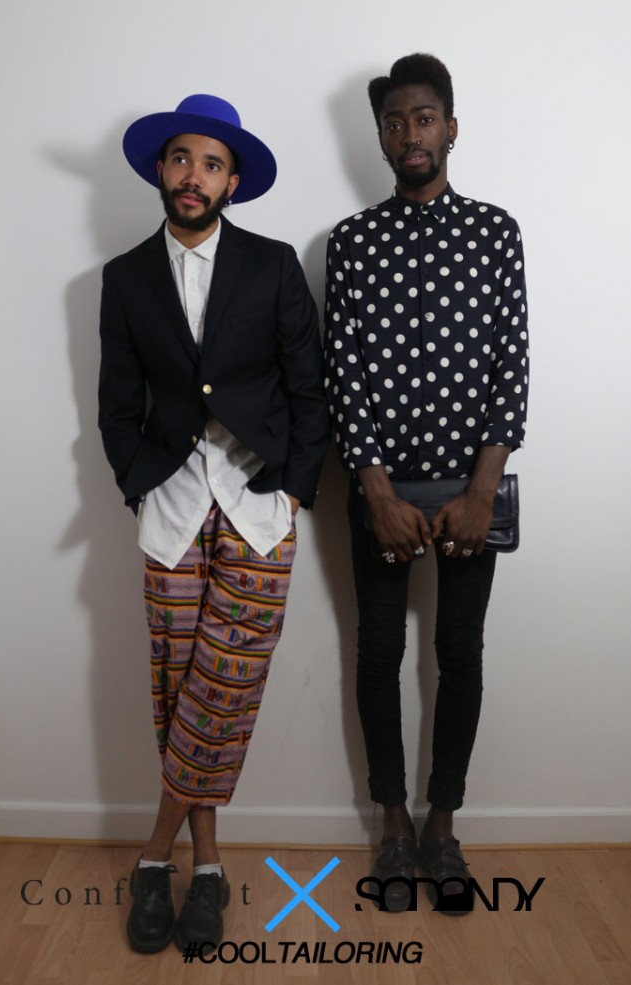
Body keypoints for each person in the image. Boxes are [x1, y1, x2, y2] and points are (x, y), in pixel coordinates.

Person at [98, 93, 328, 952]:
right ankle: (207, 868)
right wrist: (138, 487)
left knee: (221, 688)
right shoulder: (126, 277)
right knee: (177, 688)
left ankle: (153, 853)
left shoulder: (271, 266)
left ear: (232, 181)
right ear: (161, 170)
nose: (193, 176)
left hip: (260, 505)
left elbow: (308, 390)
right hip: (170, 506)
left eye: (211, 163)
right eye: (181, 158)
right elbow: (115, 403)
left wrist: (294, 490)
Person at [324, 54, 529, 913]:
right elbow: (342, 374)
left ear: (449, 128)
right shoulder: (351, 241)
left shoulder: (495, 232)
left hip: (468, 493)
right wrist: (376, 493)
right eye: (393, 122)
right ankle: (394, 824)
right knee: (378, 655)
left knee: (460, 655)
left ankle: (444, 822)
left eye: (422, 117)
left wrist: (480, 492)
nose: (408, 133)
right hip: (382, 491)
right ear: (380, 138)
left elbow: (510, 366)